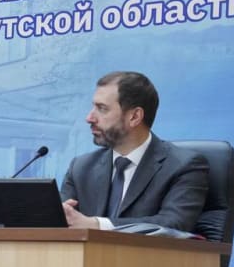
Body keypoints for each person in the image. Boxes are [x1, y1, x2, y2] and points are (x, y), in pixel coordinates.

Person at [60, 71, 209, 232]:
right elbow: (63, 220)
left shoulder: (184, 166)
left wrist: (97, 225)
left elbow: (174, 224)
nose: (89, 118)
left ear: (134, 117)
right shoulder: (81, 167)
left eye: (102, 109)